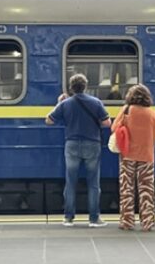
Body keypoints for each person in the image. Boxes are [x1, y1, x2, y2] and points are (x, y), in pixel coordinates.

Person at [46, 74, 111, 228]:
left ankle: (68, 218)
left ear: (71, 87)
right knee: (93, 183)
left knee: (70, 182)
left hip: (72, 145)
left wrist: (58, 103)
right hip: (92, 144)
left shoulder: (65, 103)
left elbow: (48, 120)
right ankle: (94, 219)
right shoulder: (96, 102)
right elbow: (107, 123)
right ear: (85, 86)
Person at [111, 84, 155, 231]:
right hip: (146, 157)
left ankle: (127, 221)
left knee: (126, 189)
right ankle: (147, 223)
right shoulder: (153, 114)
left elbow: (113, 128)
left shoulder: (126, 110)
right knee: (146, 190)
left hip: (127, 156)